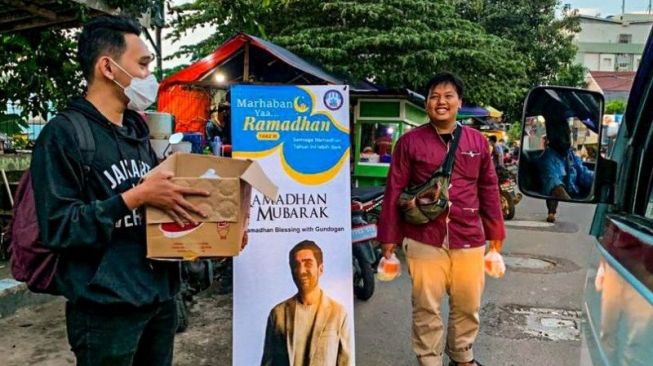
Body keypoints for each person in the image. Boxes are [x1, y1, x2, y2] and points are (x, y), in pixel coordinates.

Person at [31, 16, 213, 365]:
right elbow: (59, 227)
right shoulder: (65, 135)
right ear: (108, 67)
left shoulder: (136, 130)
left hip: (159, 299)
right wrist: (134, 198)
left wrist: (211, 231)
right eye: (142, 65)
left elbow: (157, 208)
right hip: (105, 310)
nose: (150, 77)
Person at [378, 72, 505, 366]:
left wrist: (495, 233)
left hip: (469, 237)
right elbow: (394, 189)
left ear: (459, 102)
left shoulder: (477, 141)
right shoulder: (409, 143)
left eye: (448, 96)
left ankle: (462, 356)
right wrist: (388, 239)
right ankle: (429, 359)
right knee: (426, 306)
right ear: (427, 104)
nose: (441, 102)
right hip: (423, 237)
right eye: (434, 96)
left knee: (468, 304)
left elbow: (488, 188)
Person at [261, 240, 352, 366]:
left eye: (308, 263)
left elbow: (346, 362)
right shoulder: (278, 314)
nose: (301, 271)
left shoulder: (338, 313)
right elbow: (267, 362)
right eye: (296, 265)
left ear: (320, 269)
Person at [539, 114, 594, 223]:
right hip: (564, 194)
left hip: (578, 194)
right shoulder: (547, 159)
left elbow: (584, 173)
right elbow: (556, 189)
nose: (567, 137)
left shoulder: (570, 154)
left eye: (567, 132)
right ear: (552, 136)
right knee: (552, 197)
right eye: (562, 133)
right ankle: (551, 212)